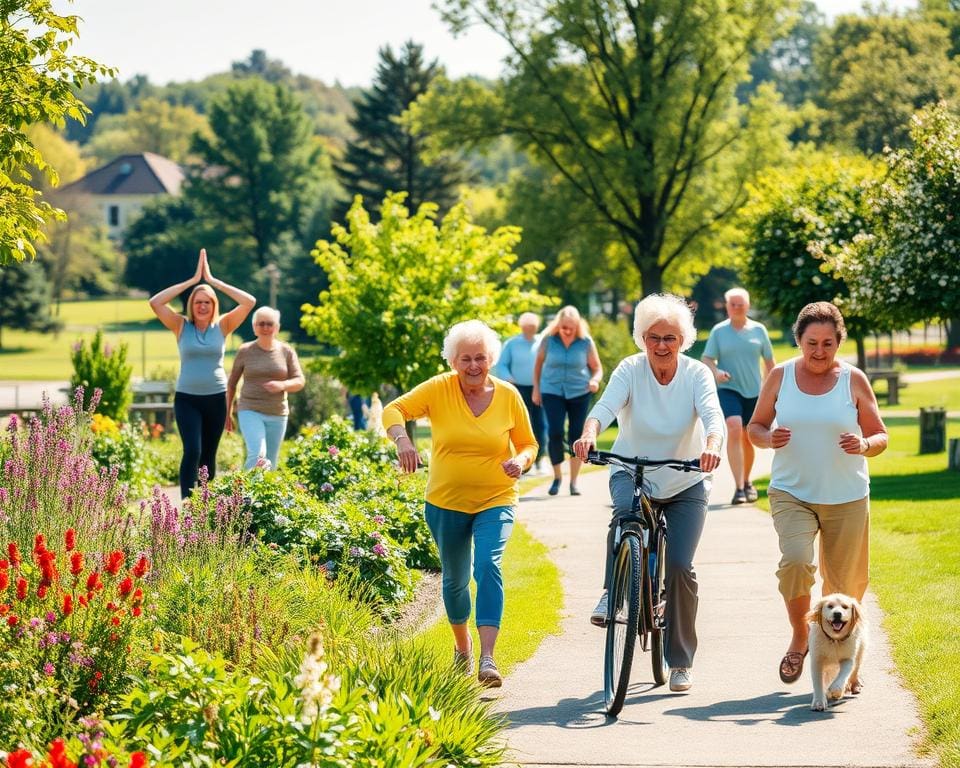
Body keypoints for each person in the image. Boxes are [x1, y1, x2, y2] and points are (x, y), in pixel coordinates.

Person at [573, 293, 724, 693]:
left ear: (683, 341)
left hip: (685, 477)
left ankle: (679, 662)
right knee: (625, 515)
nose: (661, 345)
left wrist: (711, 445)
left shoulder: (696, 375)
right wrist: (589, 434)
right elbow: (604, 407)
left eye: (670, 338)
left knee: (679, 567)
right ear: (642, 338)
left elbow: (712, 415)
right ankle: (612, 593)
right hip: (631, 467)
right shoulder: (630, 369)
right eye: (653, 337)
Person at [382, 319, 538, 688]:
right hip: (446, 501)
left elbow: (529, 443)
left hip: (496, 497)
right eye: (465, 358)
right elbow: (393, 410)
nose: (473, 366)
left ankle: (487, 658)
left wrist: (521, 461)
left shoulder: (508, 395)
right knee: (454, 581)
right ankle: (463, 647)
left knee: (487, 565)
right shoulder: (439, 388)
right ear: (453, 361)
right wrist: (402, 440)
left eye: (480, 358)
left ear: (491, 359)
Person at [746, 301, 887, 687]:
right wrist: (768, 438)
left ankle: (845, 661)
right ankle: (800, 636)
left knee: (845, 587)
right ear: (799, 340)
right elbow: (754, 428)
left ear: (838, 342)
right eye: (812, 343)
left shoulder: (853, 380)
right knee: (795, 562)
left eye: (827, 343)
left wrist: (863, 444)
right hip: (792, 491)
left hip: (847, 496)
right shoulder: (780, 376)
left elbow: (880, 436)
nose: (819, 352)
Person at [149, 249, 256, 498]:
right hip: (187, 398)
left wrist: (212, 281)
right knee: (193, 451)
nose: (203, 305)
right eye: (198, 302)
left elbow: (249, 301)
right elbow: (155, 302)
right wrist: (193, 281)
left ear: (214, 305)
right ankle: (187, 503)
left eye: (207, 301)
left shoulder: (224, 325)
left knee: (208, 454)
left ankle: (205, 506)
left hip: (216, 398)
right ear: (191, 305)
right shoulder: (180, 325)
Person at [702, 287, 775, 505]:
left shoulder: (759, 330)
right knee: (734, 426)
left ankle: (747, 481)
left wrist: (770, 389)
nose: (736, 308)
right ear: (727, 307)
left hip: (754, 392)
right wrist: (716, 373)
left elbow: (770, 363)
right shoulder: (719, 331)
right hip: (729, 388)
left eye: (740, 304)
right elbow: (707, 359)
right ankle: (739, 488)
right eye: (732, 304)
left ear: (748, 306)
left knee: (748, 437)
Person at [532, 305, 603, 496]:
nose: (567, 330)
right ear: (558, 324)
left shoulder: (585, 342)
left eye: (571, 327)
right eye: (564, 327)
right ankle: (557, 477)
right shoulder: (548, 341)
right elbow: (538, 365)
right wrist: (536, 389)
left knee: (576, 435)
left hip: (579, 391)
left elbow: (597, 367)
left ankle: (573, 482)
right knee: (554, 432)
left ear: (577, 325)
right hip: (552, 390)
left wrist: (594, 380)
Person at [225, 306, 305, 470]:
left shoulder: (286, 351)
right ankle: (246, 495)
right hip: (249, 409)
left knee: (271, 461)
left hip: (278, 412)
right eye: (261, 324)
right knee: (258, 454)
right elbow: (231, 383)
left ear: (277, 327)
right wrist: (227, 413)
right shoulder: (245, 351)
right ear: (254, 327)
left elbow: (299, 380)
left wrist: (282, 385)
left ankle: (263, 495)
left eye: (270, 324)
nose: (266, 328)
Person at [496, 312, 547, 473]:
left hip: (539, 388)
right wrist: (508, 378)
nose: (529, 331)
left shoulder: (542, 342)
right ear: (522, 327)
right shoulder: (512, 344)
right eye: (527, 328)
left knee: (540, 424)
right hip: (518, 389)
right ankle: (525, 461)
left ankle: (539, 459)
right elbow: (502, 365)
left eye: (532, 328)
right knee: (524, 425)